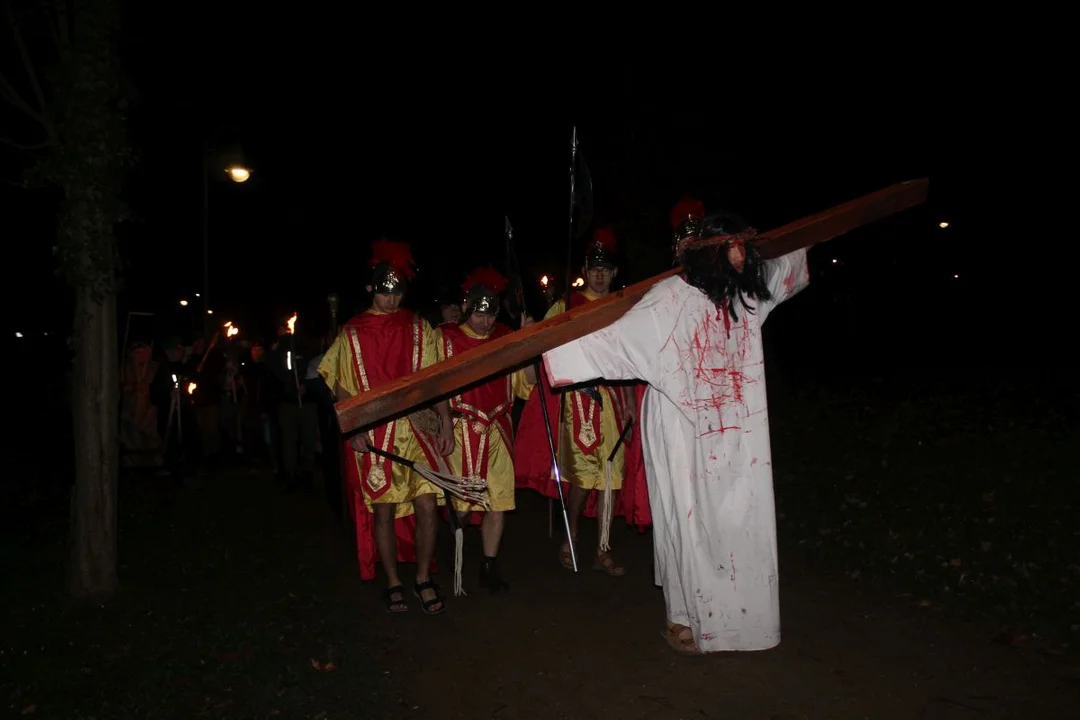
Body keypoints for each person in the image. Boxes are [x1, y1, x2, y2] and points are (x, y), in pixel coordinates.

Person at [539, 201, 811, 655]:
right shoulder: (669, 300)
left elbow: (790, 262)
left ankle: (747, 621)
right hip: (681, 429)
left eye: (744, 249)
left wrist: (812, 235)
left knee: (741, 518)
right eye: (732, 250)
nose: (741, 259)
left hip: (740, 434)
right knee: (687, 522)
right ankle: (685, 616)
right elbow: (614, 343)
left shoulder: (747, 295)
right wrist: (551, 345)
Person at [318, 239, 455, 615]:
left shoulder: (418, 326)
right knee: (384, 511)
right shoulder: (352, 332)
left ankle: (424, 577)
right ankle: (394, 582)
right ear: (370, 289)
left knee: (428, 505)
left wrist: (445, 421)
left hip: (419, 431)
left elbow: (434, 379)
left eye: (397, 293)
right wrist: (353, 428)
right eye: (384, 292)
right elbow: (339, 386)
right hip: (377, 434)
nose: (391, 300)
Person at [515, 226, 638, 575]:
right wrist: (528, 332)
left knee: (611, 476)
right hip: (580, 402)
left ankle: (603, 548)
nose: (599, 274)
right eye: (594, 268)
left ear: (614, 273)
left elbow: (628, 358)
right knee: (584, 478)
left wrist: (630, 402)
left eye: (606, 269)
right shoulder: (565, 305)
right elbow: (543, 344)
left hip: (612, 398)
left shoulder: (623, 305)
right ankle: (571, 540)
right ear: (585, 272)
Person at [435, 265, 535, 594]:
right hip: (462, 431)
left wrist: (530, 345)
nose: (486, 321)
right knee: (461, 507)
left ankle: (489, 565)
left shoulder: (506, 338)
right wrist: (444, 424)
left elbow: (527, 386)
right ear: (466, 308)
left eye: (491, 314)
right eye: (480, 314)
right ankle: (453, 542)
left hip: (499, 431)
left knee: (498, 502)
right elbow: (433, 387)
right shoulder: (445, 339)